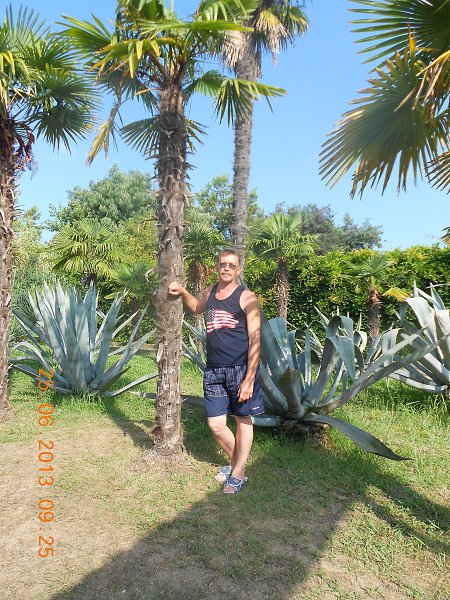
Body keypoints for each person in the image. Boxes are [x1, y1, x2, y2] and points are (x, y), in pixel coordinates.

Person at [168, 248, 264, 494]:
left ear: (238, 269)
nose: (227, 268)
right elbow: (196, 308)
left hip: (240, 368)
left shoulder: (246, 297)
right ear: (217, 267)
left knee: (243, 420)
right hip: (213, 369)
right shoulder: (210, 292)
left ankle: (238, 473)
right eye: (223, 264)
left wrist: (249, 378)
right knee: (216, 424)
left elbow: (255, 339)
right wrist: (184, 292)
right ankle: (237, 464)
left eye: (232, 265)